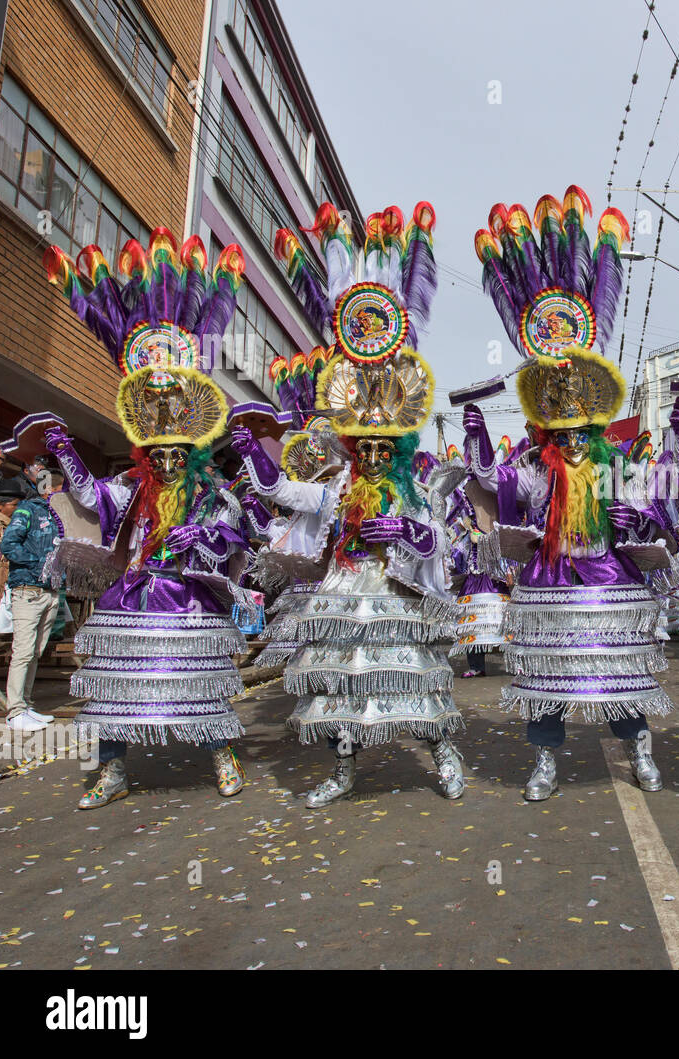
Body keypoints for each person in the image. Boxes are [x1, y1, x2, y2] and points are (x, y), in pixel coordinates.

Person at [235, 201, 468, 809]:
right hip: (343, 594)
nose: (367, 456)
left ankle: (443, 755)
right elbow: (288, 492)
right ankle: (344, 770)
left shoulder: (412, 486)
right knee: (340, 685)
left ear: (393, 447)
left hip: (394, 597)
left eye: (377, 447)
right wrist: (254, 456)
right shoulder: (337, 485)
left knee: (414, 678)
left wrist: (405, 532)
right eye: (358, 447)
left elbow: (438, 541)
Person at [466, 184, 669, 801]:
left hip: (607, 579)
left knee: (617, 669)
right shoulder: (533, 467)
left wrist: (636, 516)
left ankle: (639, 749)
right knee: (548, 671)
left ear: (597, 426)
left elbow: (655, 512)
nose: (574, 441)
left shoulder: (615, 464)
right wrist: (477, 446)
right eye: (563, 432)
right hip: (550, 580)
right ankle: (546, 761)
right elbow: (496, 494)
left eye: (583, 431)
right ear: (546, 430)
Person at [41, 231, 254, 807]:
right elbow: (92, 497)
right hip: (134, 595)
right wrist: (65, 453)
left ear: (190, 453)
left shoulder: (208, 488)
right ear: (144, 454)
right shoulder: (135, 486)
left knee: (200, 683)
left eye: (174, 456)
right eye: (155, 455)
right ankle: (112, 771)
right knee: (116, 684)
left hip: (187, 597)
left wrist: (201, 535)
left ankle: (223, 755)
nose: (164, 463)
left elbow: (235, 528)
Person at [0, 478, 59, 732]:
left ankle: (26, 704)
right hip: (28, 590)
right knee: (23, 652)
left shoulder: (57, 515)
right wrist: (37, 564)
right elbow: (8, 544)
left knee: (35, 652)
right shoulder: (26, 510)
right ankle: (15, 712)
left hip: (50, 591)